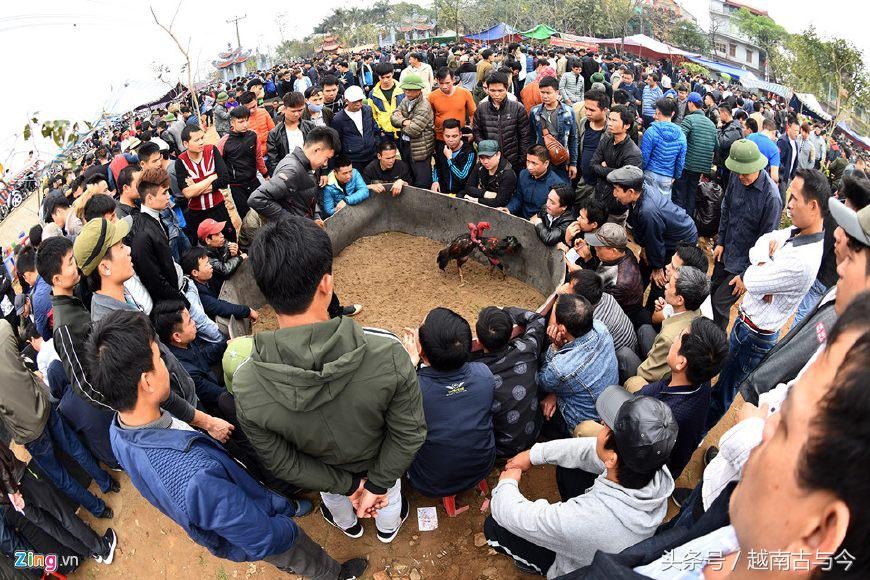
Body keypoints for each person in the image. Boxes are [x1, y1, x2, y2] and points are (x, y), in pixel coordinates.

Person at [86, 309, 368, 580]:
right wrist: (284, 530)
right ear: (146, 381)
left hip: (236, 501)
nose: (166, 365)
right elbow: (261, 537)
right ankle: (333, 574)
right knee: (294, 551)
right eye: (159, 358)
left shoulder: (120, 428)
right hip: (262, 529)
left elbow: (167, 399)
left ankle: (285, 523)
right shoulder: (197, 479)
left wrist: (206, 421)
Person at [232, 216, 426, 543]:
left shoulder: (245, 384)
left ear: (266, 293)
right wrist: (375, 484)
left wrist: (348, 486)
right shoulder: (387, 351)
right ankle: (387, 531)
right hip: (381, 465)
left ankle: (349, 527)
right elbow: (409, 434)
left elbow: (283, 463)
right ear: (326, 284)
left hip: (326, 477)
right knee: (389, 498)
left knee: (335, 501)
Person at [485, 385, 676, 577]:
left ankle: (539, 565)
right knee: (570, 468)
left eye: (607, 428)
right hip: (600, 538)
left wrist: (507, 483)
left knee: (494, 526)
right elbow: (589, 450)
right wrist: (534, 454)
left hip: (577, 565)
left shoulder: (586, 521)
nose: (601, 423)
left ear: (612, 459)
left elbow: (511, 512)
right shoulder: (651, 464)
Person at [708, 168, 826, 429]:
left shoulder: (802, 260)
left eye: (795, 198)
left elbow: (751, 280)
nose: (788, 204)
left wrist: (760, 270)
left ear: (813, 206)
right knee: (722, 380)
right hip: (747, 324)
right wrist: (766, 260)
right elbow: (762, 242)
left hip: (754, 336)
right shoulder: (798, 232)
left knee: (723, 391)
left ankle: (698, 433)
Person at [0, 315, 118, 520]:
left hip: (28, 431)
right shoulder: (2, 330)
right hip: (43, 407)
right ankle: (107, 482)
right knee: (75, 448)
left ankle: (99, 508)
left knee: (61, 476)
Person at [401, 308, 495, 498]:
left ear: (421, 350)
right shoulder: (484, 374)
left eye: (420, 327)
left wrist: (410, 364)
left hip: (432, 483)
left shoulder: (413, 390)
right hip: (483, 466)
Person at [0, 443, 118, 566]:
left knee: (53, 528)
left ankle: (90, 551)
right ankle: (103, 549)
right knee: (64, 516)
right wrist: (13, 491)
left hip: (12, 500)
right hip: (19, 484)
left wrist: (9, 497)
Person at [710, 139, 783, 330]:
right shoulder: (736, 176)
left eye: (746, 173)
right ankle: (706, 334)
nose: (741, 176)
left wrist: (745, 276)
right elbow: (726, 208)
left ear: (757, 166)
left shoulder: (771, 198)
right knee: (711, 293)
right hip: (726, 250)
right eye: (738, 172)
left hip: (744, 262)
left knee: (720, 303)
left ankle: (715, 342)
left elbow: (766, 245)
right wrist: (720, 240)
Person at [538, 293, 618, 437]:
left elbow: (543, 382)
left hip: (584, 423)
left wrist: (555, 348)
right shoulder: (601, 328)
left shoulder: (561, 368)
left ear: (562, 329)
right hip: (608, 406)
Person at [610, 165, 698, 294]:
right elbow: (640, 228)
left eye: (617, 190)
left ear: (631, 192)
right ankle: (636, 295)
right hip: (662, 232)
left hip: (680, 239)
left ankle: (655, 301)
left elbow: (655, 242)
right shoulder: (638, 193)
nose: (614, 194)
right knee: (645, 265)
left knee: (662, 279)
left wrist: (657, 268)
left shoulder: (648, 212)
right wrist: (644, 248)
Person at [474, 306, 545, 458]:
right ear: (511, 335)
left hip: (502, 450)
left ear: (478, 341)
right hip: (534, 433)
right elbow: (537, 318)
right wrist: (507, 310)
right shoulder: (527, 349)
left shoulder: (477, 374)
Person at [624, 265, 709, 392]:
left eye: (670, 285)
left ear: (680, 300)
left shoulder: (669, 337)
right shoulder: (696, 313)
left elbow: (647, 374)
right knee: (645, 330)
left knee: (624, 355)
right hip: (666, 361)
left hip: (656, 381)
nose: (666, 286)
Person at [249, 126, 339, 224]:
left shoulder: (307, 166)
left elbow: (306, 197)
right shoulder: (292, 170)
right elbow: (257, 198)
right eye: (326, 158)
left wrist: (316, 217)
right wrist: (293, 223)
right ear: (317, 150)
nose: (325, 164)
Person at [128, 166, 186, 304]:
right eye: (164, 193)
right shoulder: (142, 234)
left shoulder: (157, 218)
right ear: (149, 198)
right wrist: (181, 301)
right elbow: (156, 282)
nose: (168, 196)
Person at [175, 125, 235, 243]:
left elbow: (224, 179)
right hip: (197, 212)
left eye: (202, 138)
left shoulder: (212, 150)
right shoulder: (181, 161)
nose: (201, 142)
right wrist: (212, 177)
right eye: (197, 140)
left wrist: (196, 187)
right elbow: (187, 193)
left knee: (229, 236)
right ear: (186, 144)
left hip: (218, 207)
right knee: (205, 243)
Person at [565, 269, 638, 361]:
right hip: (631, 348)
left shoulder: (593, 322)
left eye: (570, 286)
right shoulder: (605, 296)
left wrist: (560, 297)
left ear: (581, 300)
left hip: (620, 360)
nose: (566, 287)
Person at [588, 104, 643, 221]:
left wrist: (603, 168)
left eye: (614, 120)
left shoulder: (633, 152)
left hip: (616, 207)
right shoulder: (606, 141)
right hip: (599, 199)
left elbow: (626, 181)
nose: (609, 123)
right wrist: (617, 171)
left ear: (626, 125)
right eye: (609, 119)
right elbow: (592, 165)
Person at [182, 247, 257, 325]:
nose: (210, 266)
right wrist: (248, 311)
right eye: (206, 264)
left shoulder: (208, 277)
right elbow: (220, 307)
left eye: (209, 262)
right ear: (195, 272)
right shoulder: (198, 294)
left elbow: (226, 271)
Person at [586, 223, 644, 322]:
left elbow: (598, 303)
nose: (595, 248)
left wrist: (581, 274)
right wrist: (588, 258)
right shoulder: (625, 252)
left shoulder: (619, 283)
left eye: (599, 247)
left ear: (613, 251)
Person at [472, 72, 531, 170]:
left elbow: (524, 136)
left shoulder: (517, 108)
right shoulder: (481, 108)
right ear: (487, 89)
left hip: (513, 160)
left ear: (506, 89)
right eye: (492, 90)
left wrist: (522, 159)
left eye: (500, 90)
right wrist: (487, 150)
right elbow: (477, 131)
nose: (496, 94)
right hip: (490, 160)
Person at [674, 92, 717, 218]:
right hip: (701, 167)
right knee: (692, 193)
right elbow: (717, 145)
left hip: (687, 164)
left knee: (680, 193)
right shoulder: (711, 124)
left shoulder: (689, 119)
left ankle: (678, 221)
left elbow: (680, 140)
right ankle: (688, 220)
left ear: (691, 103)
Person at [389, 73, 435, 189]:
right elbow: (393, 117)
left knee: (422, 181)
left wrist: (400, 121)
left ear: (418, 90)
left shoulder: (424, 106)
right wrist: (405, 121)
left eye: (410, 90)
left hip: (420, 149)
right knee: (408, 176)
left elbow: (414, 131)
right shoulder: (405, 100)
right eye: (406, 89)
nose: (407, 92)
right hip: (405, 145)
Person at [529, 77, 578, 181]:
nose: (544, 96)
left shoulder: (569, 112)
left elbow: (573, 139)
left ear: (557, 93)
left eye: (548, 93)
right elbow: (532, 137)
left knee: (562, 187)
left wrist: (573, 163)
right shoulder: (535, 112)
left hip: (562, 160)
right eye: (542, 92)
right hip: (541, 160)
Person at [222, 106, 268, 219]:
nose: (245, 124)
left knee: (264, 211)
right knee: (247, 217)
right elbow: (219, 166)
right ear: (232, 122)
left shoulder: (252, 136)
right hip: (237, 187)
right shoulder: (224, 142)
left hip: (253, 181)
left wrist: (265, 173)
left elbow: (258, 157)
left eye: (247, 120)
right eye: (241, 121)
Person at [640, 98, 686, 198]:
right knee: (663, 206)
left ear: (658, 113)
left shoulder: (651, 131)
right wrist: (676, 176)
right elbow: (680, 161)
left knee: (646, 204)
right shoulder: (681, 136)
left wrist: (642, 170)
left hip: (650, 173)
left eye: (656, 113)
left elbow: (644, 157)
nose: (654, 116)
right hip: (667, 177)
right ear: (672, 114)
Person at [574, 90, 611, 209]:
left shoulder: (611, 130)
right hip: (584, 181)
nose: (587, 113)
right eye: (586, 108)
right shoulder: (583, 123)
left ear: (605, 110)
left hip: (602, 183)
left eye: (592, 110)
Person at [331, 86, 381, 173]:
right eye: (355, 101)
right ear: (346, 101)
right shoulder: (338, 119)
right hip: (353, 159)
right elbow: (337, 142)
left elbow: (374, 129)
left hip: (371, 155)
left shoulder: (367, 110)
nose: (358, 104)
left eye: (360, 100)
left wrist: (376, 144)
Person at [507, 145, 566, 219]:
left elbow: (555, 210)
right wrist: (509, 209)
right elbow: (518, 197)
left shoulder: (557, 184)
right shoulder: (523, 174)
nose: (529, 167)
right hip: (522, 218)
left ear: (546, 163)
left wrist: (539, 217)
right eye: (528, 161)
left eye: (534, 163)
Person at [266, 91, 315, 176]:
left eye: (300, 110)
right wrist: (280, 176)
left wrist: (323, 172)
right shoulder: (274, 133)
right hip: (287, 174)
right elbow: (273, 160)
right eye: (293, 111)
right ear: (284, 108)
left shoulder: (310, 126)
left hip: (310, 171)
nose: (297, 114)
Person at [463, 140, 517, 208]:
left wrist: (476, 200)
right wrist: (485, 194)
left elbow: (500, 202)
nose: (485, 161)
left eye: (489, 157)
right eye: (482, 158)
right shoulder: (480, 166)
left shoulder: (508, 174)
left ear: (498, 155)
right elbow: (468, 188)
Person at [428, 68, 475, 143]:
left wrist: (472, 131)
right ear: (437, 81)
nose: (444, 86)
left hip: (460, 136)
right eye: (441, 83)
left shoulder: (465, 93)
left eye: (447, 83)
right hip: (440, 137)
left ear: (453, 80)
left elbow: (473, 114)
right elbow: (430, 117)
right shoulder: (432, 96)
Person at [197, 218, 245, 292]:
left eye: (220, 232)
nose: (222, 235)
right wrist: (240, 258)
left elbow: (230, 259)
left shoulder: (221, 241)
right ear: (208, 240)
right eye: (217, 234)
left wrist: (234, 254)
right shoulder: (203, 256)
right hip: (218, 288)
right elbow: (224, 270)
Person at [431, 118, 476, 195]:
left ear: (460, 135)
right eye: (447, 136)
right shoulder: (441, 148)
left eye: (454, 136)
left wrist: (450, 158)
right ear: (443, 135)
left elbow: (462, 177)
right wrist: (435, 181)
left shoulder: (469, 152)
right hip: (444, 192)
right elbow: (437, 167)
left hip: (462, 194)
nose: (451, 140)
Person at [16, 247, 52, 340]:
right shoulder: (50, 268)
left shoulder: (38, 297)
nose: (25, 280)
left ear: (27, 274)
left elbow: (43, 334)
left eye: (24, 277)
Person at [368, 63, 404, 142]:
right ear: (378, 76)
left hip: (402, 129)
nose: (385, 80)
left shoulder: (402, 89)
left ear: (393, 73)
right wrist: (380, 131)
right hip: (385, 132)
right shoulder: (373, 94)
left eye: (388, 77)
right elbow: (372, 114)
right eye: (382, 77)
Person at [238, 91, 275, 158]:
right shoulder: (240, 120)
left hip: (270, 150)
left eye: (253, 106)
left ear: (256, 101)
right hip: (254, 155)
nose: (251, 110)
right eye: (248, 108)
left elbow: (273, 131)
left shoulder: (263, 112)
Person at [746, 118, 781, 184]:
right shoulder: (774, 149)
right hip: (760, 183)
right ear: (773, 132)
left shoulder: (750, 137)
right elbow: (774, 177)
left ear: (762, 128)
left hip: (744, 176)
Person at [777, 115, 801, 204]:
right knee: (782, 201)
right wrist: (781, 176)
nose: (797, 133)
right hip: (781, 177)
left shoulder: (795, 143)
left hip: (788, 177)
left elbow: (794, 161)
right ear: (788, 128)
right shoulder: (783, 141)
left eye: (798, 131)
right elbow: (778, 160)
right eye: (795, 131)